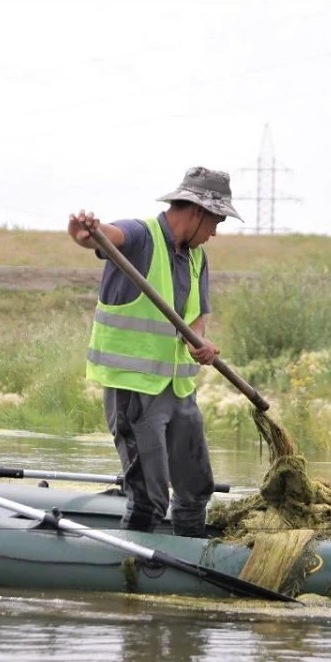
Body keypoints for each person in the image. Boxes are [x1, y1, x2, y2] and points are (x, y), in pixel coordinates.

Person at [67, 167, 243, 538]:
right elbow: (105, 237)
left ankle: (194, 560)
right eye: (216, 220)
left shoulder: (197, 257)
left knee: (196, 491)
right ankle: (132, 577)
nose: (216, 231)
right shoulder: (139, 236)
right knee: (149, 498)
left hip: (179, 392)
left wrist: (200, 343)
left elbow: (197, 318)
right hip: (136, 392)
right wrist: (86, 234)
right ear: (196, 211)